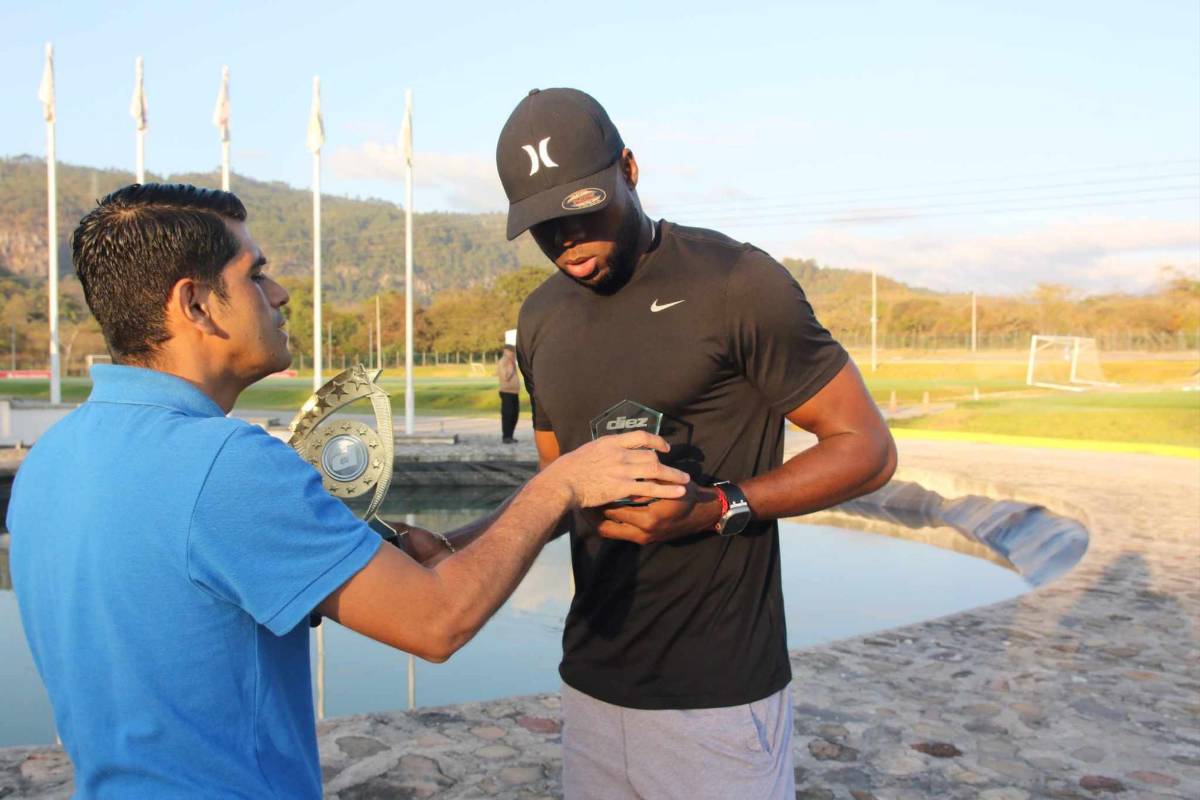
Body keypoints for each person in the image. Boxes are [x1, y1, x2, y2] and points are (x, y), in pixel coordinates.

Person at [6, 183, 690, 799]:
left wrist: (498, 514)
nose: (279, 294)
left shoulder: (55, 458)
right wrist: (564, 483)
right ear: (194, 303)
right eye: (256, 274)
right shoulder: (225, 464)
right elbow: (437, 621)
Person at [496, 88, 897, 799]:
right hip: (591, 685)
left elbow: (866, 447)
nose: (565, 238)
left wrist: (719, 506)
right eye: (542, 223)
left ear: (629, 167)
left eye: (582, 206)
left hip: (718, 699)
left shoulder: (736, 284)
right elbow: (558, 492)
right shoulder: (539, 319)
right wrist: (461, 546)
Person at [497, 343, 520, 442]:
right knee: (508, 415)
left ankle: (510, 435)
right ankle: (506, 437)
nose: (513, 355)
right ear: (507, 352)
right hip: (507, 392)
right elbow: (505, 377)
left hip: (514, 392)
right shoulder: (503, 362)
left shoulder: (512, 362)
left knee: (514, 415)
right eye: (512, 352)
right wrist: (511, 368)